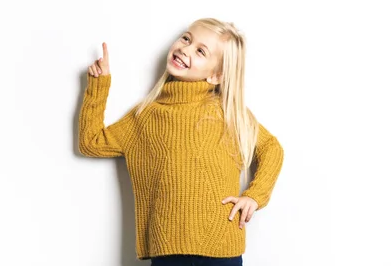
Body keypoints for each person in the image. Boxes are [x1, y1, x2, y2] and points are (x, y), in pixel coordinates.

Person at [78, 18, 285, 265]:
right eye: (186, 39)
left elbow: (271, 148)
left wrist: (254, 196)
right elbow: (91, 142)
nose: (186, 49)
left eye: (200, 51)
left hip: (223, 249)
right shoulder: (145, 116)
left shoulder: (227, 112)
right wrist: (98, 86)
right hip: (167, 250)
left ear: (217, 75)